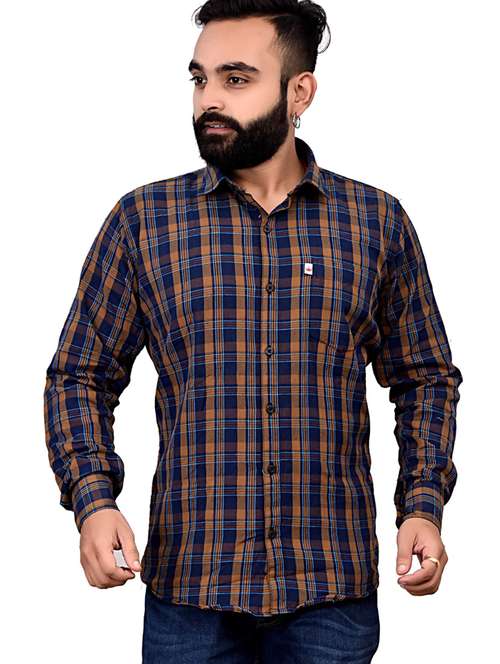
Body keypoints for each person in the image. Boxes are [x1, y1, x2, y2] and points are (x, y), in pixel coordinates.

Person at [43, 1, 463, 662]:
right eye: (200, 78)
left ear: (300, 92)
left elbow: (425, 377)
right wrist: (93, 501)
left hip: (331, 592)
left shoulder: (376, 223)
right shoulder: (143, 222)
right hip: (190, 594)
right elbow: (79, 376)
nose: (209, 98)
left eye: (236, 79)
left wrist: (422, 505)